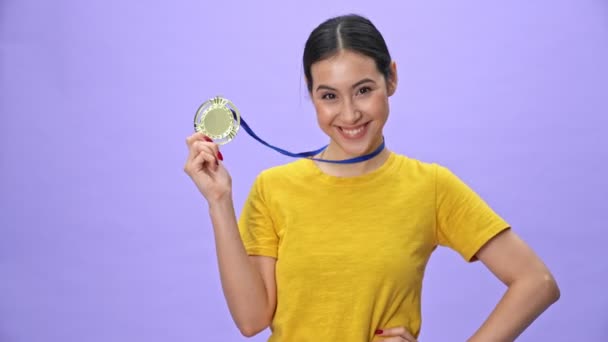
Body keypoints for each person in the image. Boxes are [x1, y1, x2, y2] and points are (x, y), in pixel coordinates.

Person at [184, 14, 560, 342]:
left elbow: (537, 283)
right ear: (312, 95)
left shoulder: (429, 186)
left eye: (363, 90)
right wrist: (219, 200)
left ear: (391, 79)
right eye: (329, 96)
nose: (349, 115)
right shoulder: (273, 188)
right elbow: (252, 321)